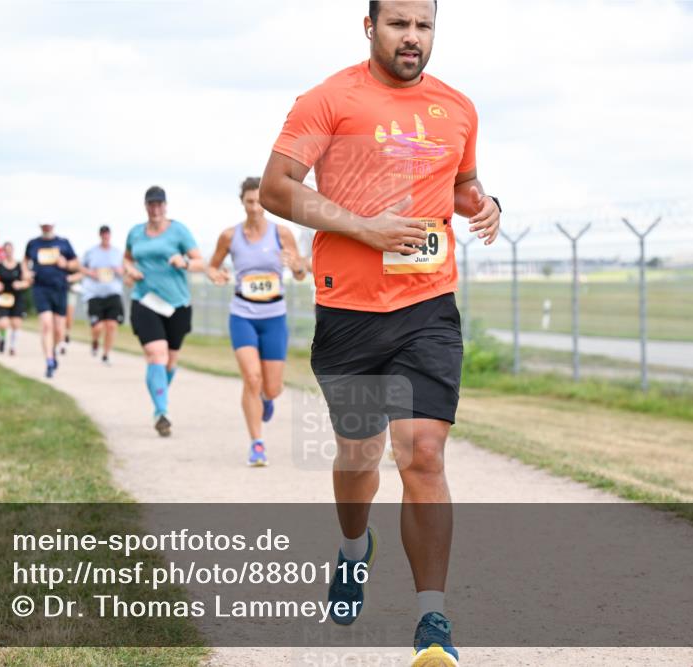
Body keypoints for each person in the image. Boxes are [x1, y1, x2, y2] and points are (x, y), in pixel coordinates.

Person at [258, 2, 501, 664]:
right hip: (350, 312)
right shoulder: (329, 100)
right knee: (359, 459)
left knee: (422, 452)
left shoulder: (458, 108)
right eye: (399, 24)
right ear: (370, 28)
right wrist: (362, 227)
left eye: (423, 26)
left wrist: (485, 203)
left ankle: (432, 622)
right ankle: (352, 548)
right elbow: (280, 188)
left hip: (428, 306)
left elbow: (462, 182)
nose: (412, 38)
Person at [206, 177, 308, 466]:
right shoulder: (230, 236)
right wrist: (216, 275)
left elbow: (300, 273)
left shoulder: (282, 234)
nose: (255, 208)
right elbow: (212, 267)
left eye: (259, 202)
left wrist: (297, 266)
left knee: (271, 387)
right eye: (250, 202)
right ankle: (257, 444)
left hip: (274, 316)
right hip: (242, 314)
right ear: (242, 203)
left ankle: (266, 398)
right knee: (251, 377)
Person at [123, 186, 205, 437]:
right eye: (151, 204)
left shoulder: (179, 231)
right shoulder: (136, 233)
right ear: (146, 206)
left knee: (169, 360)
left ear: (166, 205)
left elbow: (201, 262)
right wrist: (130, 270)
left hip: (177, 303)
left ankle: (159, 399)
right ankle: (162, 412)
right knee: (155, 354)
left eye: (159, 204)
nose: (155, 208)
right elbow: (126, 259)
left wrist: (185, 263)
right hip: (145, 300)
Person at [25, 221, 78, 378]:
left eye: (49, 224)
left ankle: (53, 352)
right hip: (41, 288)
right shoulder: (33, 243)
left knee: (58, 329)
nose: (46, 227)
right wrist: (26, 273)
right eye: (44, 224)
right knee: (46, 325)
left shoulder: (63, 243)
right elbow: (25, 261)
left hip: (59, 288)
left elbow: (76, 263)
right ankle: (48, 361)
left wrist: (66, 263)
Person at [81, 225, 125, 365]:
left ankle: (106, 355)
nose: (105, 237)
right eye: (103, 234)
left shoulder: (117, 253)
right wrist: (91, 273)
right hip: (95, 293)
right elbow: (81, 267)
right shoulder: (91, 252)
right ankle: (95, 341)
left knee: (112, 325)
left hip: (113, 292)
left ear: (110, 235)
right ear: (100, 235)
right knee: (97, 327)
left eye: (107, 234)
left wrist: (120, 270)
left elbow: (125, 270)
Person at [0, 242, 30, 356]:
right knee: (3, 323)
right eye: (6, 250)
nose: (8, 252)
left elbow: (28, 281)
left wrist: (21, 284)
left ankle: (12, 346)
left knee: (16, 323)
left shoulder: (19, 265)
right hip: (3, 297)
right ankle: (2, 339)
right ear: (3, 251)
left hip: (17, 297)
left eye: (10, 249)